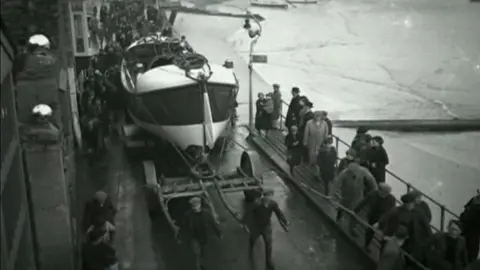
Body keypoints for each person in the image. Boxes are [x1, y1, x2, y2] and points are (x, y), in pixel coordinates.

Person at [378, 192, 432, 261]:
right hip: (393, 238)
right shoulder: (396, 211)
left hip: (407, 240)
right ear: (406, 204)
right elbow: (386, 221)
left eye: (412, 203)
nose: (412, 205)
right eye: (410, 204)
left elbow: (426, 226)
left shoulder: (418, 213)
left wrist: (430, 238)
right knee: (387, 257)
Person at [244, 189, 289, 270]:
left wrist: (285, 221)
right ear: (263, 197)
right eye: (266, 197)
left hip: (266, 227)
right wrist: (244, 223)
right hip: (256, 226)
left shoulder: (273, 204)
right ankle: (250, 249)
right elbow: (249, 214)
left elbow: (279, 213)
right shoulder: (256, 204)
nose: (268, 199)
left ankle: (268, 262)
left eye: (270, 197)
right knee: (253, 239)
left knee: (269, 244)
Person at [328, 156, 378, 222]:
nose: (353, 173)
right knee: (342, 206)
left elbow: (371, 180)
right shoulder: (344, 173)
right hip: (346, 193)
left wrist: (375, 189)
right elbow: (336, 184)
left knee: (355, 209)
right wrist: (331, 194)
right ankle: (339, 218)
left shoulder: (363, 171)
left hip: (358, 194)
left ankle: (352, 222)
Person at [178, 197, 222, 270]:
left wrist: (219, 233)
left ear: (200, 205)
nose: (195, 208)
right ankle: (198, 267)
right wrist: (180, 237)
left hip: (204, 235)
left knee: (203, 252)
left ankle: (203, 264)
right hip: (194, 237)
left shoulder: (207, 213)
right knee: (197, 253)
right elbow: (184, 226)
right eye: (193, 206)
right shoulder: (188, 215)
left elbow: (213, 224)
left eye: (197, 206)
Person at [354, 183, 396, 251]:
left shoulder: (391, 200)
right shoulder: (373, 194)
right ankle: (366, 245)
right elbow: (364, 201)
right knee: (370, 230)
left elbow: (387, 213)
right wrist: (355, 210)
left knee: (385, 234)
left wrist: (379, 222)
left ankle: (382, 250)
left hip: (385, 218)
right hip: (373, 215)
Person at [460, 192, 480, 262]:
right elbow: (466, 209)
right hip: (466, 230)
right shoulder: (474, 199)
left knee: (470, 254)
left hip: (473, 232)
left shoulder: (474, 200)